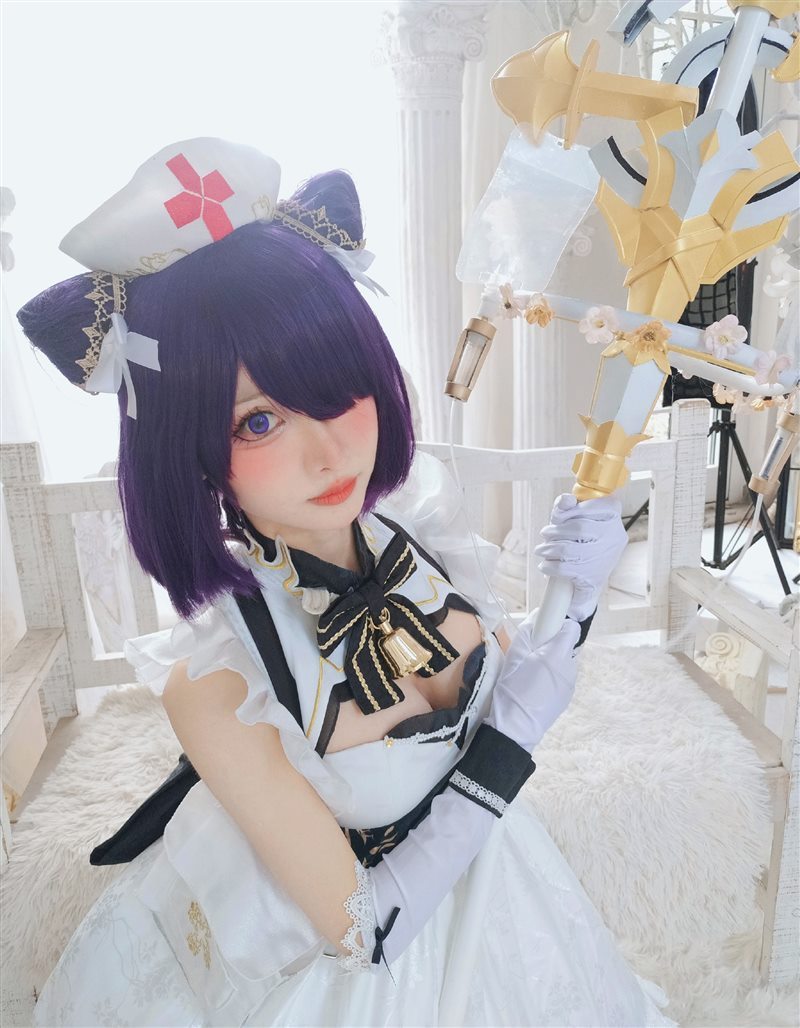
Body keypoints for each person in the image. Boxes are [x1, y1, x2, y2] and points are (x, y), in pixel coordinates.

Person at [17, 137, 676, 1027]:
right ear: (188, 452)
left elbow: (511, 681)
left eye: (336, 389)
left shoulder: (419, 531)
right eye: (258, 422)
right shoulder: (221, 684)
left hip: (501, 890)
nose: (330, 452)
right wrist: (511, 742)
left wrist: (578, 599)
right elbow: (367, 931)